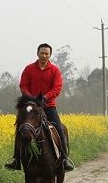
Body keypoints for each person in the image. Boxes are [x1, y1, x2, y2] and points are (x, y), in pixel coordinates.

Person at [5, 43, 75, 172]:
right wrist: (31, 99)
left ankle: (64, 159)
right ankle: (16, 159)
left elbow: (57, 88)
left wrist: (45, 97)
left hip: (48, 106)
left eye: (46, 53)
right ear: (37, 53)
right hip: (31, 107)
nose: (44, 55)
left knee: (59, 128)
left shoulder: (55, 70)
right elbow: (23, 85)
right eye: (42, 53)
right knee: (20, 128)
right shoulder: (29, 69)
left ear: (50, 55)